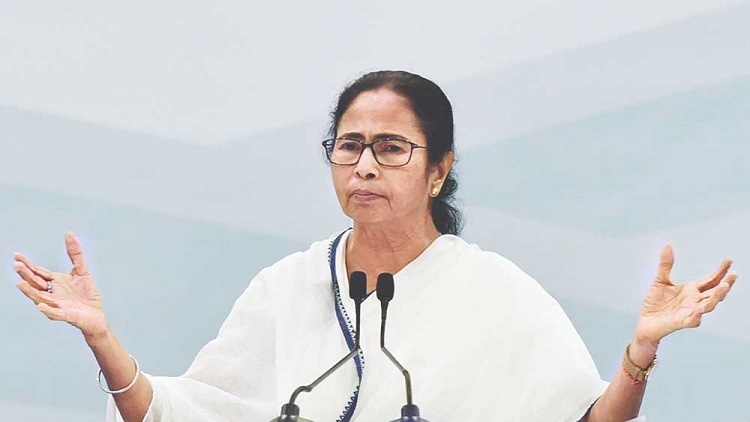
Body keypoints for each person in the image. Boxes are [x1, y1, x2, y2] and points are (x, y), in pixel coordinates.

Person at [14, 70, 738, 422]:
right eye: (349, 146)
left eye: (391, 148)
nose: (364, 166)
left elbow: (586, 421)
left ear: (438, 170)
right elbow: (186, 415)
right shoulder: (287, 287)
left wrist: (639, 355)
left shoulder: (497, 293)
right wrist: (103, 340)